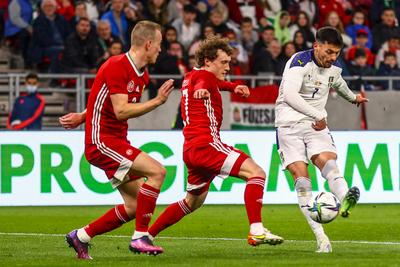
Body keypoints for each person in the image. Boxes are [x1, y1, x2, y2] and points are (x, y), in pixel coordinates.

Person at [147, 36, 284, 247]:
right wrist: (204, 89)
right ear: (208, 61)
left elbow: (213, 82)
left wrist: (233, 87)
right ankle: (256, 230)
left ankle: (146, 236)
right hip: (207, 145)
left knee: (191, 202)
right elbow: (205, 83)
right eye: (224, 62)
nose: (228, 67)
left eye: (229, 62)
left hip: (191, 149)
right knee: (256, 173)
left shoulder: (190, 76)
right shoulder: (203, 78)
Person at [60, 20, 175, 259]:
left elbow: (105, 99)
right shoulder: (116, 65)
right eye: (160, 44)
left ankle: (80, 236)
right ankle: (140, 237)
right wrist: (157, 102)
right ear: (149, 43)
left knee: (135, 205)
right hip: (101, 142)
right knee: (158, 172)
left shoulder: (142, 75)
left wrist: (83, 115)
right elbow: (121, 110)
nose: (161, 49)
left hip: (116, 140)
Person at [275, 26, 368, 253]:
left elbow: (339, 84)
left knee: (329, 164)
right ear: (316, 46)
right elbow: (289, 95)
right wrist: (318, 114)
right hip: (289, 124)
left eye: (336, 53)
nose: (332, 57)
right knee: (303, 181)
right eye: (328, 52)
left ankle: (345, 198)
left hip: (316, 125)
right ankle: (322, 239)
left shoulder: (334, 68)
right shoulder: (298, 62)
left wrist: (352, 97)